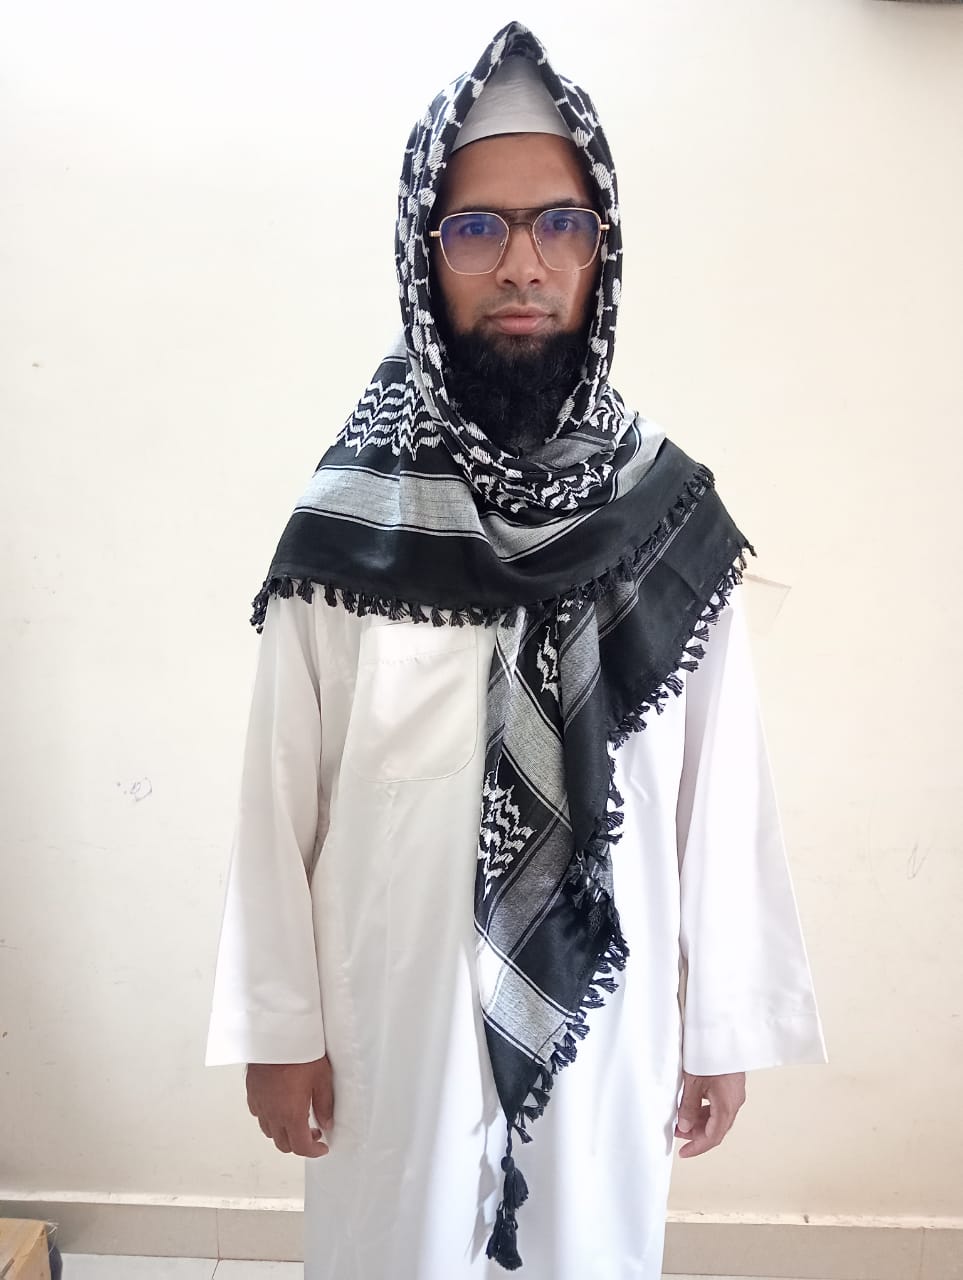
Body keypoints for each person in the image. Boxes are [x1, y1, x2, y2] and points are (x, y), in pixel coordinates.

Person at [205, 21, 826, 1280]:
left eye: (561, 225)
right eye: (478, 228)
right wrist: (280, 1022)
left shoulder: (669, 517)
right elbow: (280, 794)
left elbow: (722, 794)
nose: (523, 265)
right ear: (423, 252)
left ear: (603, 250)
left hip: (604, 1025)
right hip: (392, 1029)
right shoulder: (347, 521)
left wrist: (722, 1022)